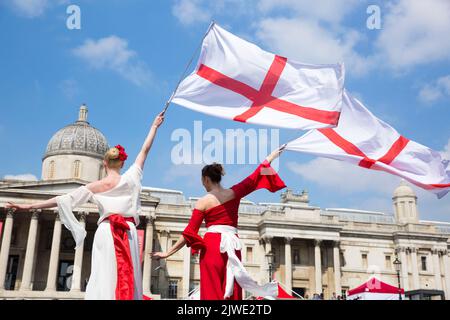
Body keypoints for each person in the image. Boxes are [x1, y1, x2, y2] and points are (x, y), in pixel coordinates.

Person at [6, 112, 164, 300]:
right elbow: (144, 151)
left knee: (104, 275)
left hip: (106, 232)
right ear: (122, 163)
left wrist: (28, 206)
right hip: (128, 232)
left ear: (104, 163)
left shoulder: (94, 186)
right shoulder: (131, 178)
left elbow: (61, 199)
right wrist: (154, 126)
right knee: (127, 273)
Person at [151, 147, 287, 300]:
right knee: (233, 284)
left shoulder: (203, 202)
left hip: (212, 246)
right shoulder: (234, 193)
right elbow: (254, 177)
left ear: (206, 179)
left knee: (212, 287)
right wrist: (271, 157)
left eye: (202, 181)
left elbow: (189, 232)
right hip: (233, 246)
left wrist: (168, 253)